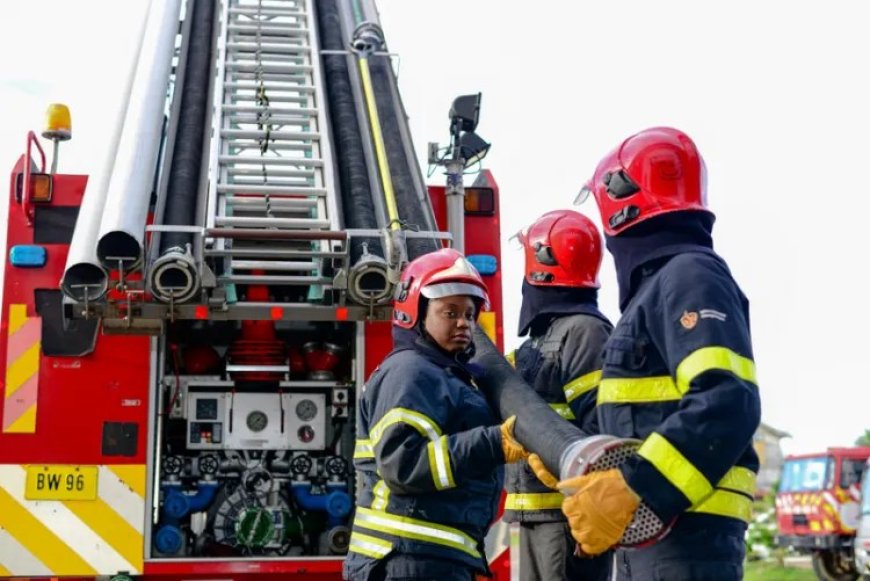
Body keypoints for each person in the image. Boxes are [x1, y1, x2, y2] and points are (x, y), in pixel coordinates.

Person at [534, 127, 761, 579]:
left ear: (620, 201)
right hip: (659, 534)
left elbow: (727, 400)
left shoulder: (689, 276)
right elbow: (642, 421)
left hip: (686, 538)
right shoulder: (661, 289)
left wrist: (636, 485)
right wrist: (578, 459)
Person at [343, 248, 529, 581]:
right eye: (450, 312)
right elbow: (403, 465)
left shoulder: (449, 376)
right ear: (415, 313)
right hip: (405, 561)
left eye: (469, 314)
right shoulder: (411, 372)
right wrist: (492, 444)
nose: (463, 322)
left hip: (429, 560)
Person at [503, 210, 613, 581]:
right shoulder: (544, 336)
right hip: (537, 515)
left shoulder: (585, 331)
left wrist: (593, 513)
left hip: (566, 520)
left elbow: (600, 430)